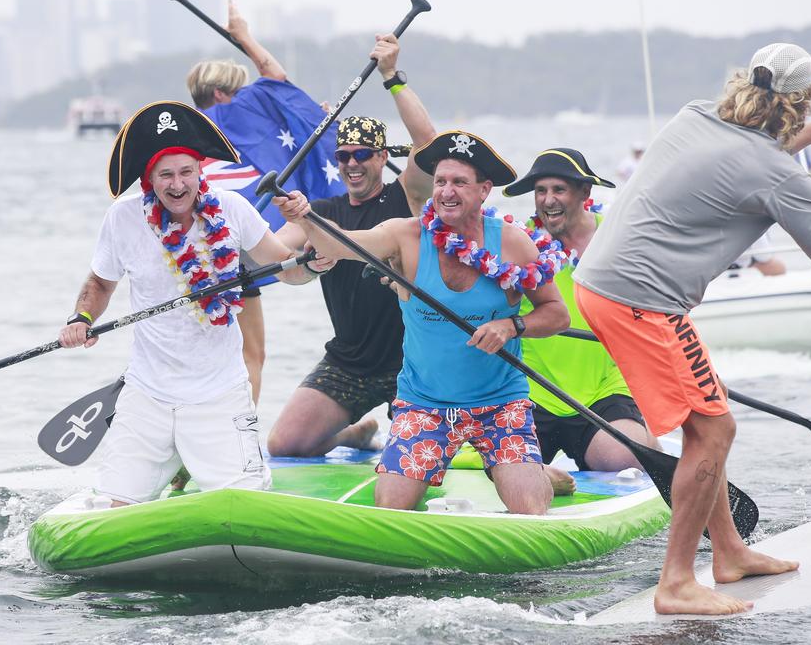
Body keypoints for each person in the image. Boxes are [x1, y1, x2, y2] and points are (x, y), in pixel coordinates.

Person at [572, 42, 811, 615]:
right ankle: (676, 583)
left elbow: (761, 149)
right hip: (639, 300)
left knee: (709, 415)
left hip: (603, 283)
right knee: (713, 432)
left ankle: (730, 553)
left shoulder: (695, 115)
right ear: (801, 101)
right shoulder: (780, 178)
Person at [275, 131, 573, 514]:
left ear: (484, 191)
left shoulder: (514, 244)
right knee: (392, 507)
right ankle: (516, 468)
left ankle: (535, 474)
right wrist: (304, 217)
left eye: (459, 183)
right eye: (440, 182)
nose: (447, 192)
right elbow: (340, 244)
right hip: (424, 404)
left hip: (499, 403)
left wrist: (511, 327)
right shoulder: (406, 236)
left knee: (529, 510)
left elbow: (557, 314)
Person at [57, 101, 327, 507]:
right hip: (147, 391)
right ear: (149, 180)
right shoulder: (122, 217)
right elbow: (100, 281)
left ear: (201, 171)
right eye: (166, 174)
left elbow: (287, 269)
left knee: (246, 508)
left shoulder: (232, 208)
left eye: (186, 172)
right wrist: (82, 317)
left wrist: (315, 265)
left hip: (219, 391)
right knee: (115, 509)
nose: (178, 184)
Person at [265, 34, 437, 457]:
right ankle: (353, 434)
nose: (352, 164)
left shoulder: (408, 197)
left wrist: (392, 77)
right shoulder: (320, 210)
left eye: (362, 154)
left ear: (382, 158)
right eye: (343, 156)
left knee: (422, 453)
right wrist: (304, 266)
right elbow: (276, 259)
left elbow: (429, 143)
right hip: (350, 361)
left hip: (412, 361)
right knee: (284, 446)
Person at [502, 148, 661, 474]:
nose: (547, 201)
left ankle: (653, 450)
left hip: (602, 389)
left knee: (628, 460)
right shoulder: (518, 243)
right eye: (540, 191)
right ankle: (542, 475)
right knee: (505, 466)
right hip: (532, 391)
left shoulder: (617, 239)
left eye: (558, 190)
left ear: (585, 193)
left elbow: (655, 307)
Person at [185, 0, 294, 406]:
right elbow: (278, 79)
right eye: (241, 92)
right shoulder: (237, 119)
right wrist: (244, 37)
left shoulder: (186, 134)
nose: (253, 97)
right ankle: (239, 440)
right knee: (251, 354)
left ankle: (216, 443)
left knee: (233, 355)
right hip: (223, 259)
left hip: (194, 264)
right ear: (221, 95)